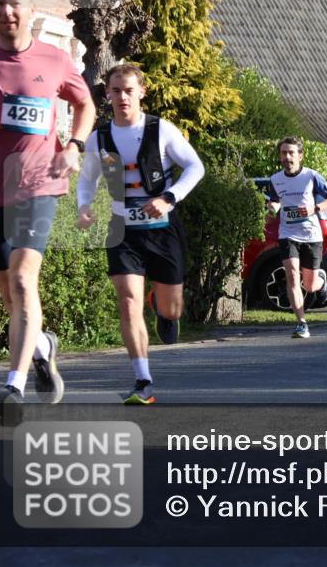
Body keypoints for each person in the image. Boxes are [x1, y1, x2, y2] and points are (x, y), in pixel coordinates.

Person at [0, 0, 96, 420]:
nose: (6, 11)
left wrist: (75, 146)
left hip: (39, 184)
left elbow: (85, 104)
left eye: (14, 4)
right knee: (10, 294)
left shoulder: (55, 59)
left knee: (25, 279)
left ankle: (14, 385)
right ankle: (43, 345)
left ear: (30, 10)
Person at [76, 64, 204, 405]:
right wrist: (84, 206)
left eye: (128, 90)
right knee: (127, 301)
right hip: (121, 230)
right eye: (115, 91)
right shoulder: (99, 138)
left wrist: (168, 197)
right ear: (108, 95)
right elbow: (87, 180)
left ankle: (163, 308)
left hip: (163, 230)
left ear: (141, 93)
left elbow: (195, 167)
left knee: (172, 308)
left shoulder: (161, 130)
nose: (122, 97)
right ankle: (142, 380)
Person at [265, 137, 327, 339]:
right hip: (288, 234)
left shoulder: (311, 176)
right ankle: (301, 323)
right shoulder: (275, 179)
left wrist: (314, 208)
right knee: (292, 276)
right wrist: (274, 207)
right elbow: (276, 201)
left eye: (291, 153)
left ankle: (321, 281)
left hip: (311, 235)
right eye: (283, 153)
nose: (287, 157)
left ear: (300, 155)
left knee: (310, 285)